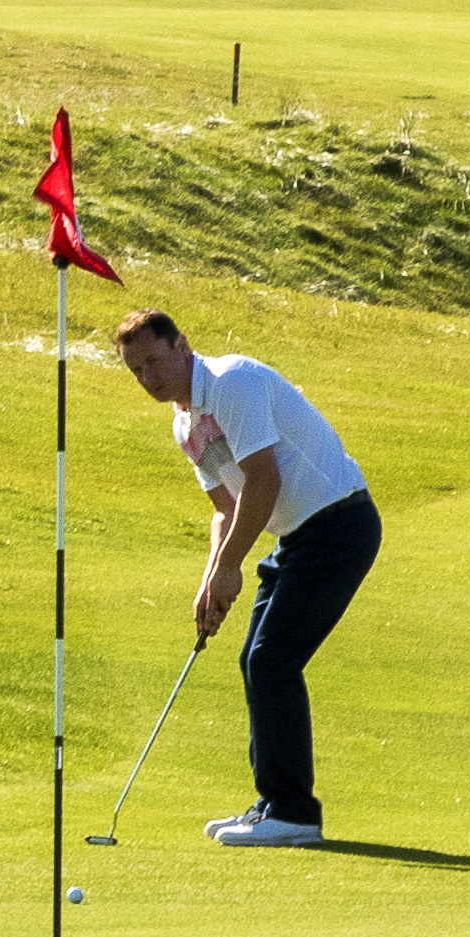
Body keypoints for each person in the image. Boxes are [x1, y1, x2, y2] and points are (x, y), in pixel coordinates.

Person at [103, 311, 379, 849]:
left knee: (271, 659)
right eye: (136, 371)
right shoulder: (184, 422)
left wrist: (232, 566)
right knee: (256, 657)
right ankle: (274, 803)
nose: (148, 378)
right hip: (297, 538)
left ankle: (295, 813)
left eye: (154, 361)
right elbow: (226, 508)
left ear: (182, 345)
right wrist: (211, 577)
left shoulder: (233, 383)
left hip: (339, 523)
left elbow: (264, 478)